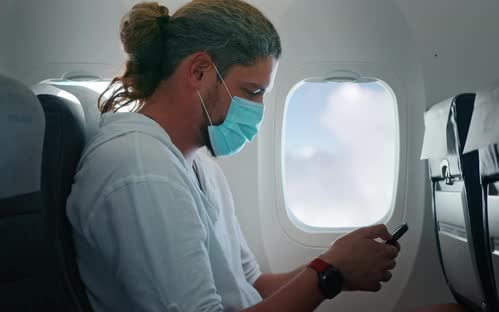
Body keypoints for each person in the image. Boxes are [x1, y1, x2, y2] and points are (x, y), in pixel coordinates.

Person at [66, 1, 401, 311]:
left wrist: (334, 259)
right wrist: (331, 274)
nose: (258, 110)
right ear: (199, 71)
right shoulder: (140, 170)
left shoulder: (199, 164)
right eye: (251, 92)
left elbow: (251, 285)